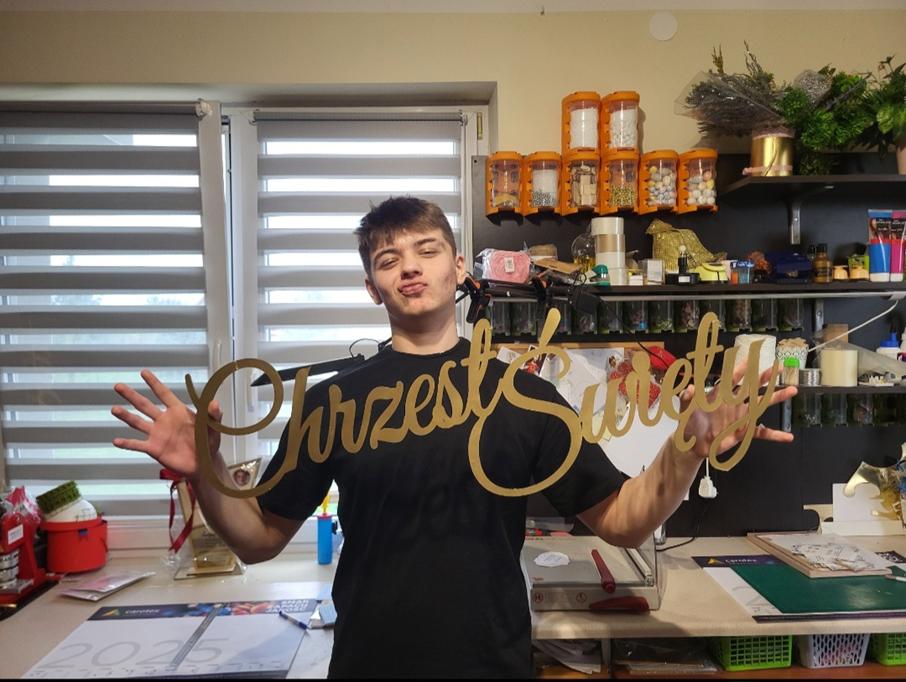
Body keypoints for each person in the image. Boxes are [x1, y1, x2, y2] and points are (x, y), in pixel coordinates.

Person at [112, 196, 796, 678]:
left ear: (459, 268)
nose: (409, 267)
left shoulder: (525, 396)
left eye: (426, 249)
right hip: (368, 663)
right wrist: (205, 469)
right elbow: (259, 539)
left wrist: (686, 448)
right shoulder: (330, 402)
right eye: (388, 259)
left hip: (490, 663)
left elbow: (623, 522)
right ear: (373, 287)